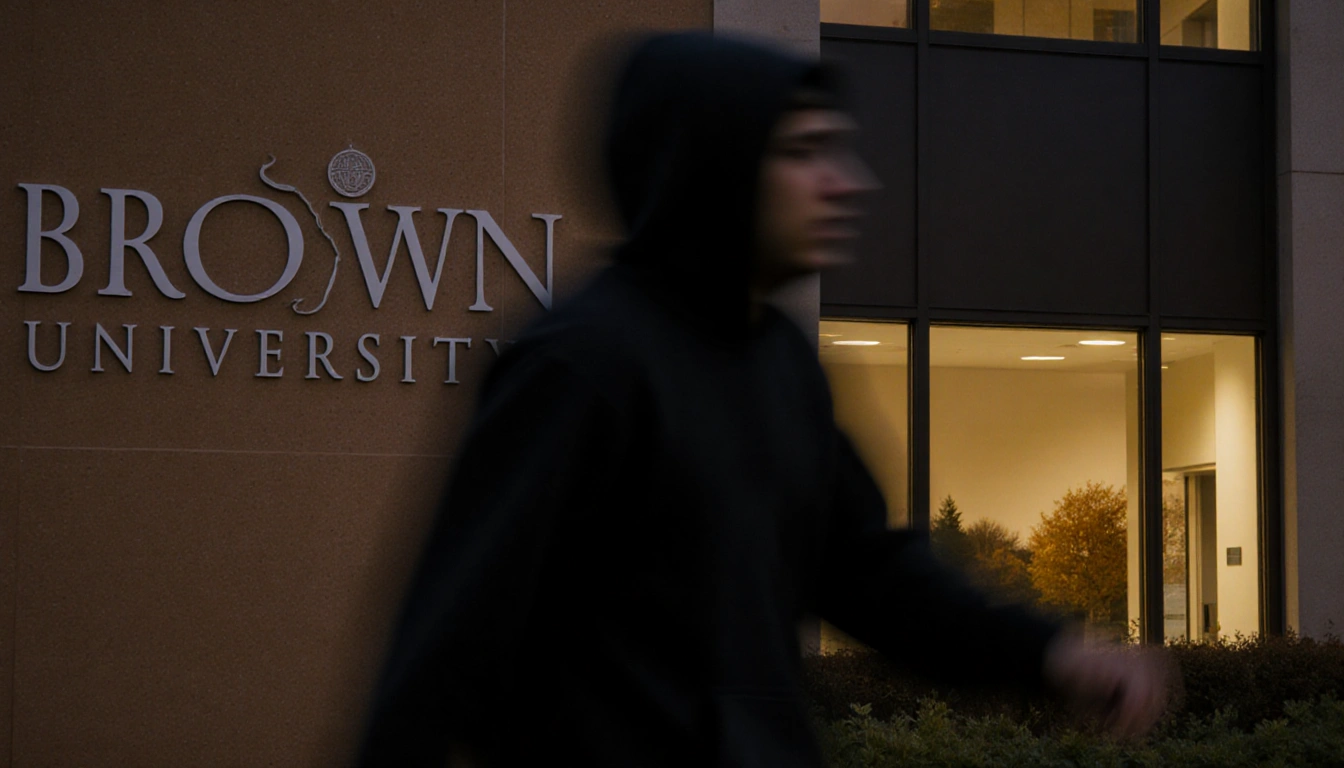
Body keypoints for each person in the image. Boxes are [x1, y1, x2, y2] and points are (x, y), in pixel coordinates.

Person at [356, 30, 1169, 767]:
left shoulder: (779, 361)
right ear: (717, 166)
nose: (847, 183)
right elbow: (446, 651)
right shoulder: (582, 363)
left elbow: (864, 573)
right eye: (807, 152)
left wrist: (1049, 654)